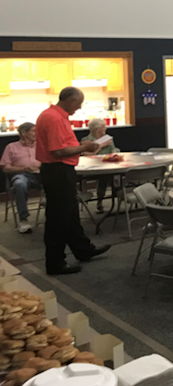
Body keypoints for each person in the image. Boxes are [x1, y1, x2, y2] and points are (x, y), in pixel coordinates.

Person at [35, 87, 110, 275]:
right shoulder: (54, 118)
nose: (79, 107)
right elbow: (58, 151)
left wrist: (81, 148)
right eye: (79, 103)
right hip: (58, 170)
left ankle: (83, 250)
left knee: (70, 214)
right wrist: (84, 146)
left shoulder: (54, 115)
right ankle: (55, 263)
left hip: (60, 170)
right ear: (71, 100)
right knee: (58, 219)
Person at [0, 122, 41, 234]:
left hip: (40, 174)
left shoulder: (41, 145)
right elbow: (5, 168)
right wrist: (24, 169)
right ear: (23, 133)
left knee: (57, 181)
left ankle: (56, 216)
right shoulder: (11, 147)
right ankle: (23, 219)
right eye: (33, 131)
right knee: (19, 184)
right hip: (22, 175)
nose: (36, 133)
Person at [81, 118, 121, 214]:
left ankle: (117, 191)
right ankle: (104, 198)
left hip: (109, 165)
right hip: (93, 167)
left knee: (114, 173)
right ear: (97, 129)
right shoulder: (86, 140)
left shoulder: (108, 138)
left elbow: (114, 149)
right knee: (105, 176)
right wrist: (101, 145)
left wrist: (115, 152)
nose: (105, 128)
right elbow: (87, 154)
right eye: (103, 126)